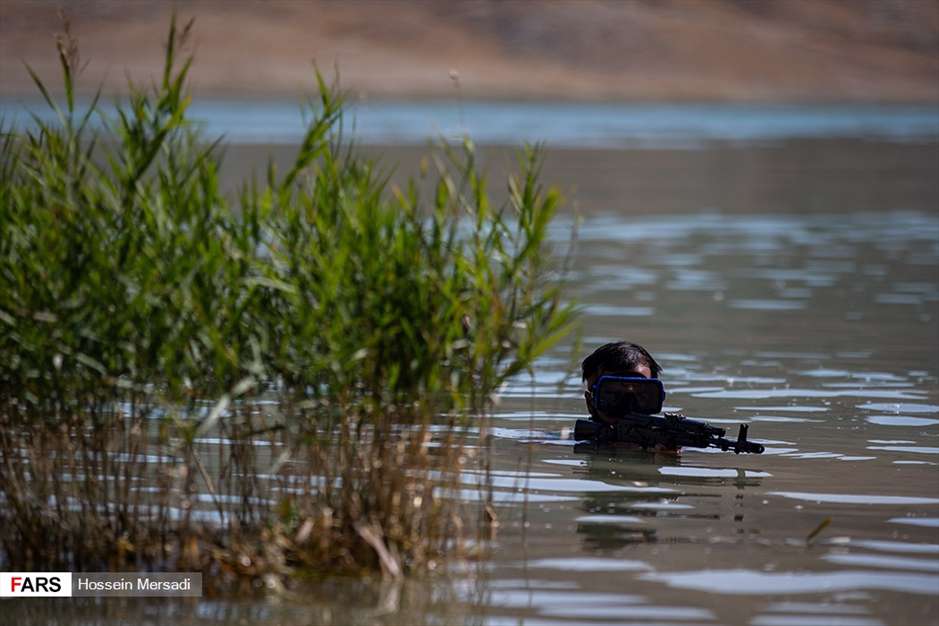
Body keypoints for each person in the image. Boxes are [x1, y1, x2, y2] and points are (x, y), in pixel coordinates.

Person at [580, 341, 679, 453]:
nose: (627, 407)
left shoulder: (671, 444)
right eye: (614, 395)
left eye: (640, 395)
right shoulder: (569, 441)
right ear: (591, 402)